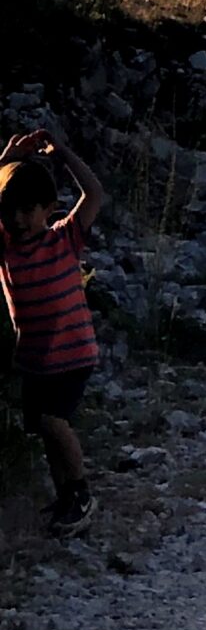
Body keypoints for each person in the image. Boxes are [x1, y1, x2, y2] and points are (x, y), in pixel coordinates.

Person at [0, 130, 105, 539]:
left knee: (52, 421)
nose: (20, 220)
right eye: (11, 211)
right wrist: (6, 159)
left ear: (49, 208)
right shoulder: (6, 250)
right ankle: (66, 498)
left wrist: (63, 152)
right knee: (46, 432)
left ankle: (81, 492)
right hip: (35, 360)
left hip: (73, 354)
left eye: (29, 210)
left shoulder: (65, 238)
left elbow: (94, 193)